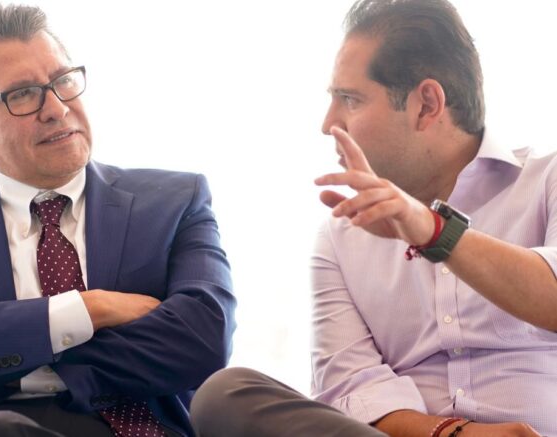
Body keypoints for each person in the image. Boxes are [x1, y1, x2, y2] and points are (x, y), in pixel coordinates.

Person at [190, 0, 556, 436]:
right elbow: (352, 387)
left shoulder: (546, 180)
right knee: (225, 394)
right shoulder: (339, 237)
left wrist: (433, 231)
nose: (328, 123)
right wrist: (455, 434)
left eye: (350, 99)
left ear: (426, 105)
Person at [0, 4, 236, 437]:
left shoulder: (175, 201)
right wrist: (91, 308)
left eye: (63, 81)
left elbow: (204, 341)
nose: (57, 109)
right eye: (23, 94)